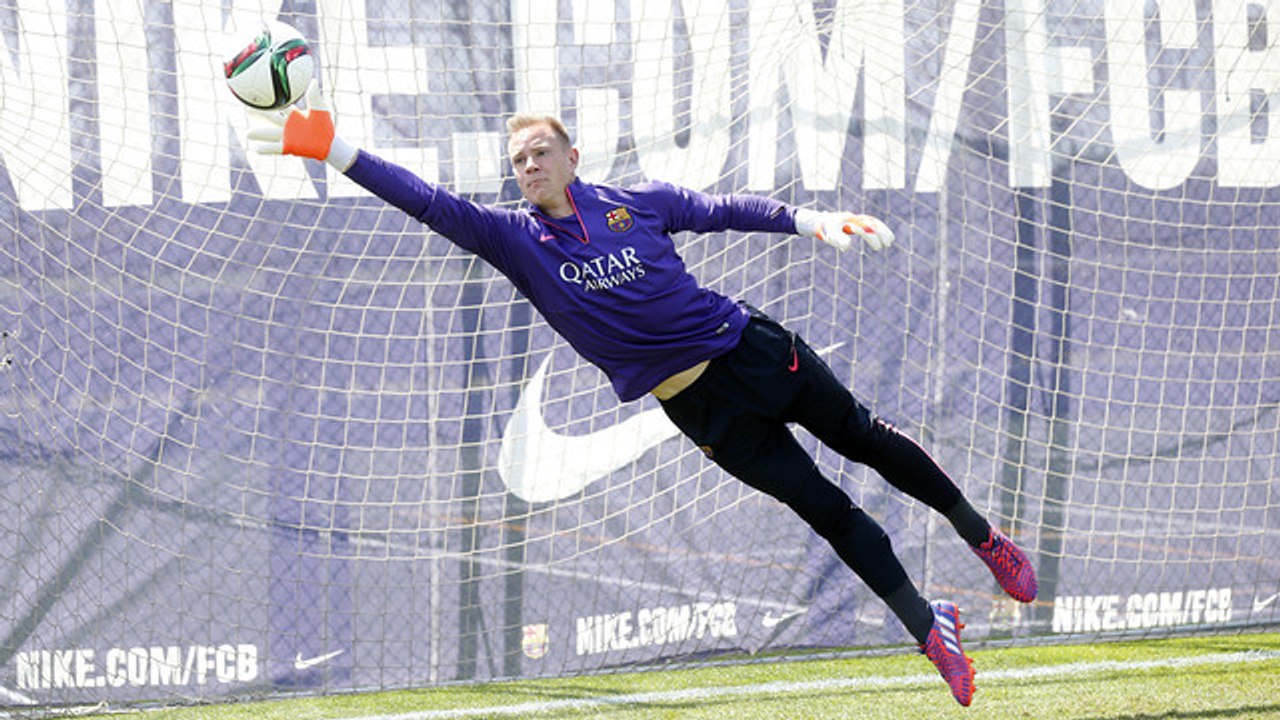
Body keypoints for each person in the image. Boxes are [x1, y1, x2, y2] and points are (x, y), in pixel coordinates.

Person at [250, 82, 1038, 707]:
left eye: (539, 152)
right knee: (826, 509)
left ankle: (982, 538)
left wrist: (811, 221)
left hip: (752, 351)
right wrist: (335, 149)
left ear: (572, 157)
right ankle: (927, 626)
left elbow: (725, 211)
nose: (527, 166)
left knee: (864, 436)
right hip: (700, 410)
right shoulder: (515, 239)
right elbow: (428, 201)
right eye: (517, 160)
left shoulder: (639, 203)